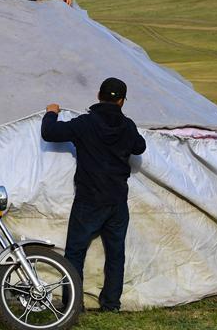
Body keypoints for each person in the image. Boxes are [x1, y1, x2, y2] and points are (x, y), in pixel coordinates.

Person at [40, 77, 146, 312]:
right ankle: (111, 304)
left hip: (89, 198)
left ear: (98, 95)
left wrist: (51, 112)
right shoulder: (127, 125)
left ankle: (72, 305)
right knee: (116, 253)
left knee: (75, 252)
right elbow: (140, 146)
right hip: (117, 199)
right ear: (121, 101)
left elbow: (49, 132)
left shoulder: (85, 123)